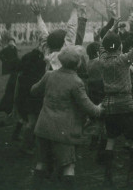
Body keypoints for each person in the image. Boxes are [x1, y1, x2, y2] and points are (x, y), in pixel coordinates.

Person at [30, 45, 103, 189]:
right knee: (68, 166)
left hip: (44, 128)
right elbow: (89, 108)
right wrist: (100, 108)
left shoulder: (49, 75)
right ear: (78, 63)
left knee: (42, 162)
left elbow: (33, 90)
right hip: (64, 131)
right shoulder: (76, 82)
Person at [98, 18, 133, 187]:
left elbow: (102, 43)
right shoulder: (124, 59)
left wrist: (111, 28)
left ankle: (108, 177)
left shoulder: (102, 60)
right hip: (125, 104)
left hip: (109, 104)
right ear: (119, 46)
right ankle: (132, 175)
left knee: (111, 139)